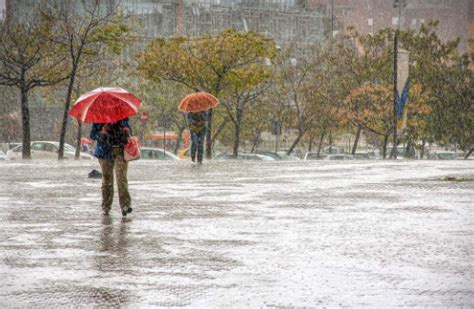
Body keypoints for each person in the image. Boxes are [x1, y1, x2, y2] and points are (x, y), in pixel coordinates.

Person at [90, 117, 133, 217]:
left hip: (120, 151)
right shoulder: (98, 117)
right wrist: (102, 133)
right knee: (107, 180)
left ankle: (125, 206)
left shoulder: (121, 114)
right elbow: (92, 135)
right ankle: (106, 207)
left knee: (121, 178)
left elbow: (129, 131)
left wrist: (126, 131)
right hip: (104, 152)